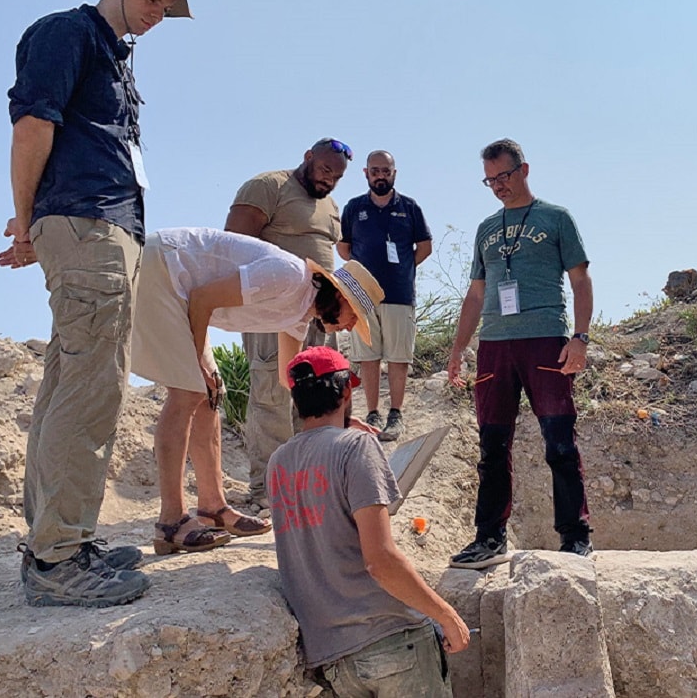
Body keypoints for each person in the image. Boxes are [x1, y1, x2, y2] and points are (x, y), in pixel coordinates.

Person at [0, 0, 190, 608]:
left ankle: (62, 537)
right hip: (86, 226)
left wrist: (38, 223)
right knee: (91, 388)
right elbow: (31, 126)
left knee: (71, 382)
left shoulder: (116, 57)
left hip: (103, 229)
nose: (159, 10)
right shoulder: (66, 32)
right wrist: (26, 222)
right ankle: (56, 561)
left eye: (167, 2)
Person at [130, 226, 386, 554]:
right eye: (355, 316)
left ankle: (212, 507)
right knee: (188, 391)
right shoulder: (288, 276)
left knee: (210, 395)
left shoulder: (301, 311)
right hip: (163, 268)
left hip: (185, 292)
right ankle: (171, 522)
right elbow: (203, 297)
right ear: (340, 296)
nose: (351, 326)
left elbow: (288, 379)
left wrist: (341, 422)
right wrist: (198, 363)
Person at [270, 346, 470, 696]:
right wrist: (447, 617)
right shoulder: (356, 447)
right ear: (347, 391)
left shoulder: (278, 462)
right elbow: (380, 561)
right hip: (393, 640)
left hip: (333, 658)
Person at [444, 138, 596, 569]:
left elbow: (580, 281)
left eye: (504, 176)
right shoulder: (486, 229)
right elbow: (475, 295)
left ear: (524, 170)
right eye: (490, 180)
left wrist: (580, 337)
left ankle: (575, 537)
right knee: (492, 446)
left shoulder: (555, 218)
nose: (498, 186)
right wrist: (458, 349)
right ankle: (490, 539)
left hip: (545, 339)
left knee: (559, 442)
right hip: (494, 345)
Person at [226, 138, 353, 510]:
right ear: (308, 157)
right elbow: (232, 244)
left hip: (319, 313)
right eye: (326, 170)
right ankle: (268, 488)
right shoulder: (268, 186)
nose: (329, 180)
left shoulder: (331, 207)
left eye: (338, 176)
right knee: (271, 390)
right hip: (270, 308)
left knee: (320, 391)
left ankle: (313, 480)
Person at [338, 150, 433, 442]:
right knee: (368, 356)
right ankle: (372, 413)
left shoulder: (410, 207)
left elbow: (424, 247)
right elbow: (344, 248)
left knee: (397, 356)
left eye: (386, 171)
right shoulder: (354, 208)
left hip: (399, 294)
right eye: (375, 170)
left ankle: (396, 413)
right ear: (366, 173)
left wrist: (403, 267)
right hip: (362, 296)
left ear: (394, 173)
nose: (381, 175)